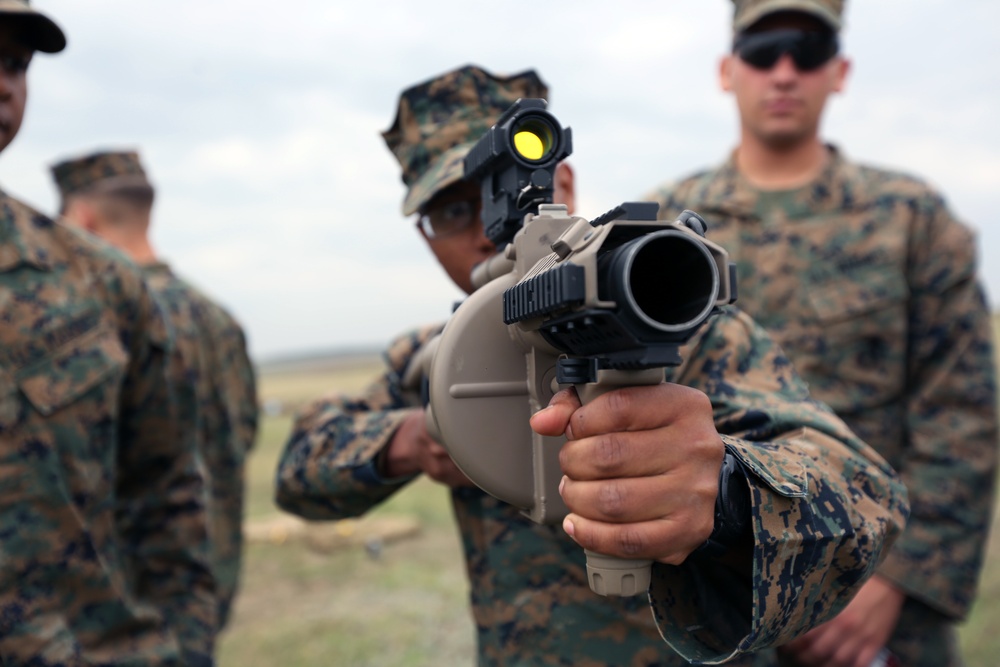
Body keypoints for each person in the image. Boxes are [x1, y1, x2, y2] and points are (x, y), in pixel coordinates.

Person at [274, 63, 909, 665]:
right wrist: (414, 439)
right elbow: (298, 469)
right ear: (424, 232)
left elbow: (865, 494)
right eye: (449, 210)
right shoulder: (427, 353)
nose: (478, 231)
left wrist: (722, 496)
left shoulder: (676, 328)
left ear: (566, 183)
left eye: (488, 198)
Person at [643, 2, 999, 666]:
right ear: (727, 70)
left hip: (874, 613)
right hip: (717, 595)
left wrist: (899, 578)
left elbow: (962, 413)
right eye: (763, 49)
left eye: (808, 50)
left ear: (839, 71)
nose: (784, 71)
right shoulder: (661, 231)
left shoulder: (911, 220)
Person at [0, 3, 218, 665]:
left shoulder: (97, 284)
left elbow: (170, 491)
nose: (6, 81)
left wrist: (182, 647)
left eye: (15, 63)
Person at [50, 149, 260, 629]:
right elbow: (242, 432)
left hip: (121, 595)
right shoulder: (217, 317)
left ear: (81, 219)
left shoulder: (90, 322)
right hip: (210, 579)